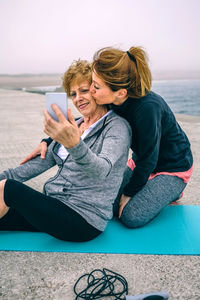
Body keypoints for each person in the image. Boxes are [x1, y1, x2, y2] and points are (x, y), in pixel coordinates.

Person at [0, 60, 131, 241]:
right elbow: (28, 169)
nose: (78, 98)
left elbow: (102, 170)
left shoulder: (117, 127)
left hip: (84, 220)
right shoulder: (73, 125)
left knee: (9, 189)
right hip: (55, 207)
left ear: (96, 91)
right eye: (73, 94)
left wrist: (74, 145)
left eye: (84, 91)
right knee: (3, 213)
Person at [89, 46, 193, 228]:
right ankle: (156, 188)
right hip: (142, 162)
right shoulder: (111, 101)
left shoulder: (148, 108)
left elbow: (149, 158)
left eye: (96, 86)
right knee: (106, 206)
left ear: (121, 92)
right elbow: (85, 123)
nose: (91, 90)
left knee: (130, 217)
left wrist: (129, 193)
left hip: (172, 167)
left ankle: (174, 190)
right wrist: (47, 141)